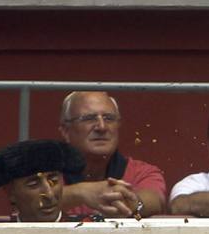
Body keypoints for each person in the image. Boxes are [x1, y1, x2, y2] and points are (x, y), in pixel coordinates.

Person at [58, 91, 167, 219]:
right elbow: (32, 200)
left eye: (109, 118)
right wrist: (81, 192)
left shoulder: (142, 172)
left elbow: (155, 201)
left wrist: (133, 204)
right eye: (89, 118)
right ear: (66, 131)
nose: (102, 127)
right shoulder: (47, 174)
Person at [0, 139, 83, 222]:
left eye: (53, 181)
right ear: (10, 193)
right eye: (33, 184)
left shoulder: (89, 230)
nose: (49, 194)